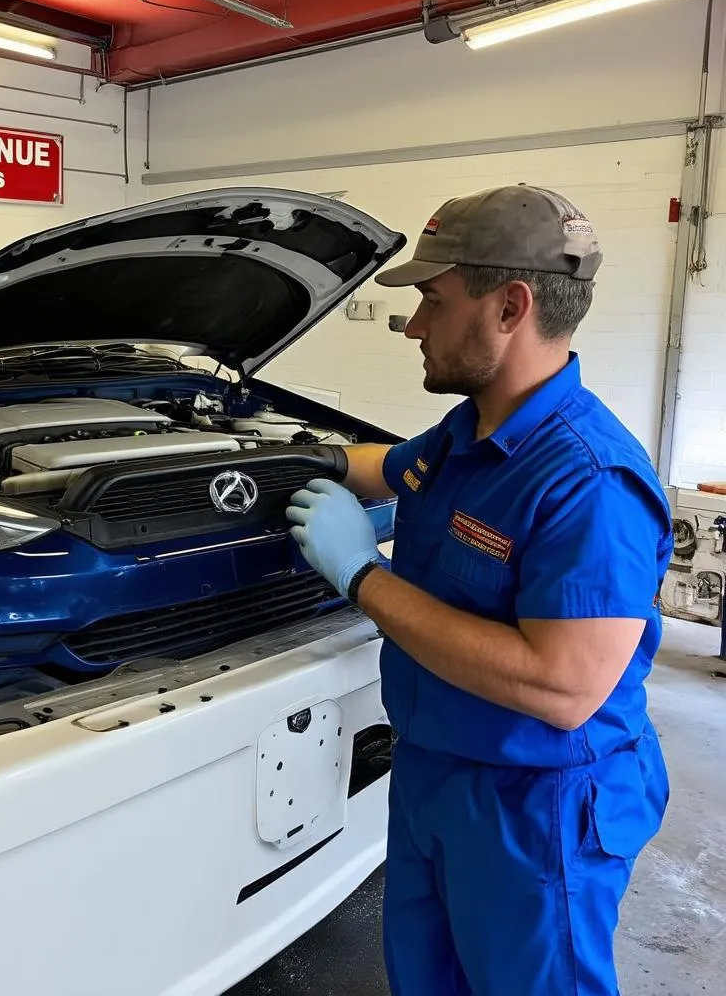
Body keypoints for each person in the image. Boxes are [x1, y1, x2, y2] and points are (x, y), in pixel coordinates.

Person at [285, 185, 673, 996]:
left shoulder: (589, 480)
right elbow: (382, 466)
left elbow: (561, 686)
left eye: (432, 300)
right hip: (436, 775)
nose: (414, 327)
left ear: (510, 306)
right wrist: (291, 457)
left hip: (538, 806)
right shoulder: (467, 431)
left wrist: (362, 575)